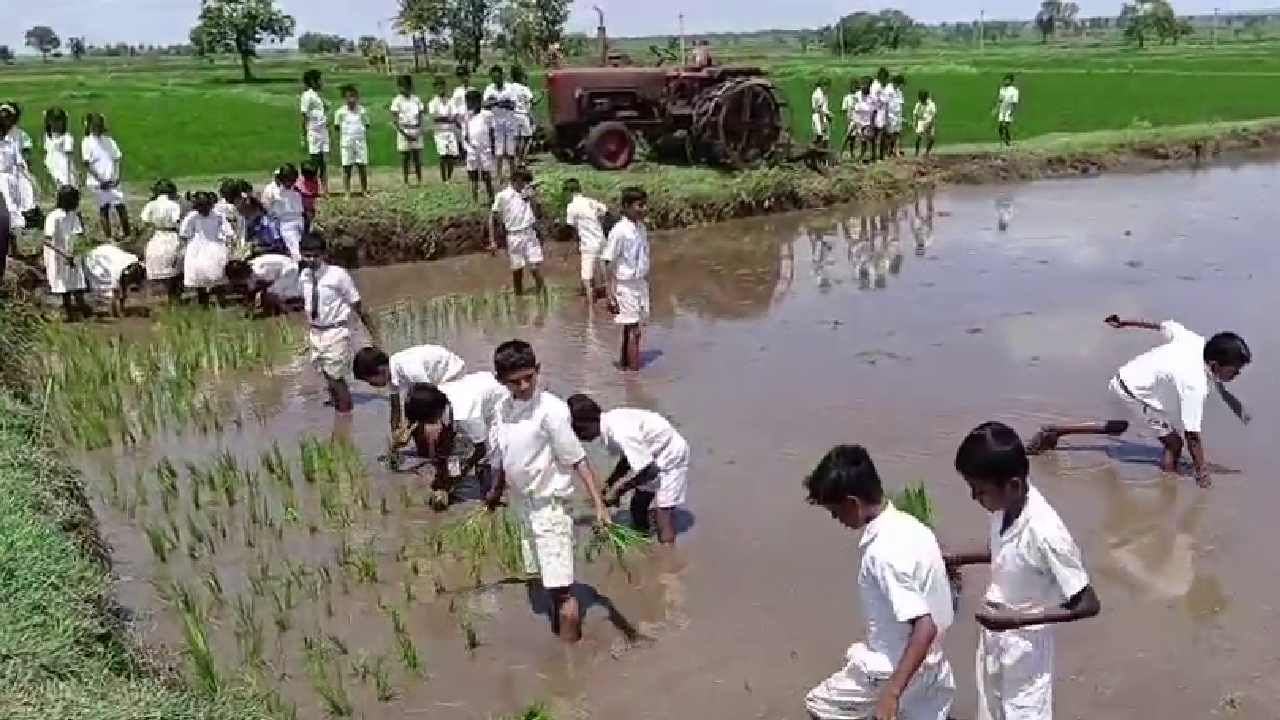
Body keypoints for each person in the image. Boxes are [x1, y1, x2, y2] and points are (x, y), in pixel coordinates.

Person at [944, 422, 1101, 720]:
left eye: (979, 491)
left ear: (1013, 485)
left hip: (1026, 645)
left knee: (1024, 713)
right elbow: (1004, 552)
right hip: (995, 629)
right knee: (990, 709)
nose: (974, 498)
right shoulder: (1004, 506)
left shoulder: (1047, 533)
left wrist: (1016, 620)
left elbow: (1088, 604)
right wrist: (957, 558)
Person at [803, 444, 955, 720]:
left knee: (820, 707)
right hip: (932, 666)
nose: (836, 520)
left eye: (836, 512)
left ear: (852, 504)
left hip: (892, 669)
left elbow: (925, 625)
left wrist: (892, 693)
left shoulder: (883, 553)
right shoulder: (913, 527)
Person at [1026, 316, 1252, 489]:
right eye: (1235, 370)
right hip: (1136, 393)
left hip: (1123, 378)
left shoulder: (1194, 341)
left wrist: (1124, 322)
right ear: (1214, 365)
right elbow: (1192, 435)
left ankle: (1056, 431)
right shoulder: (1194, 384)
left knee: (1120, 426)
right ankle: (1168, 482)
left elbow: (1161, 325)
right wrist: (1202, 473)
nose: (1237, 374)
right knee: (1174, 444)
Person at [483, 339, 610, 643]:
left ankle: (569, 659)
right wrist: (495, 491)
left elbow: (577, 459)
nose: (525, 385)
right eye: (515, 381)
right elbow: (504, 457)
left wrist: (600, 506)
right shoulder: (502, 409)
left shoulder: (552, 411)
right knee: (547, 581)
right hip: (523, 505)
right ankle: (563, 640)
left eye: (530, 377)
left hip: (550, 508)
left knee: (563, 589)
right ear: (501, 381)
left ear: (538, 370)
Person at [567, 395, 690, 544]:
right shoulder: (609, 424)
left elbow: (650, 471)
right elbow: (629, 459)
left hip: (670, 454)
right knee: (637, 506)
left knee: (662, 513)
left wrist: (620, 491)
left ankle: (669, 557)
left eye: (577, 432)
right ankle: (644, 541)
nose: (579, 438)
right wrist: (610, 482)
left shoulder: (620, 433)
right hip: (651, 452)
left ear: (585, 426)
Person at [298, 232, 380, 415]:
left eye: (315, 255)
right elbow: (309, 306)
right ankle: (339, 409)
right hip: (316, 332)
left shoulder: (338, 275)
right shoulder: (304, 275)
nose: (311, 259)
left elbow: (358, 305)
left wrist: (373, 335)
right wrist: (307, 335)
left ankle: (345, 416)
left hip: (336, 332)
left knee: (336, 377)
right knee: (327, 376)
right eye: (306, 255)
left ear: (324, 254)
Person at [402, 372, 506, 509]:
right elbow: (449, 432)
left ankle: (495, 496)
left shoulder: (466, 414)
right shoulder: (439, 395)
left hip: (501, 399)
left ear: (433, 415)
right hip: (482, 383)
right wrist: (444, 469)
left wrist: (457, 476)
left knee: (492, 458)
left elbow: (481, 449)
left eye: (425, 421)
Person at [352, 344, 467, 429]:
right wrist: (396, 435)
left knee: (447, 416)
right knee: (421, 414)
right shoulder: (391, 374)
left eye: (371, 381)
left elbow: (429, 398)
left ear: (381, 370)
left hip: (452, 373)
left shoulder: (408, 369)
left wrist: (409, 428)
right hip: (434, 379)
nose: (372, 385)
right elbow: (395, 407)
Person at [603, 186, 650, 371]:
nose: (644, 209)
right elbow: (608, 261)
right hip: (625, 285)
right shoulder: (620, 231)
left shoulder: (641, 228)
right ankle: (634, 374)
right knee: (634, 331)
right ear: (626, 206)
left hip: (639, 283)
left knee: (629, 326)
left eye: (645, 205)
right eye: (640, 205)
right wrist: (610, 292)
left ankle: (625, 366)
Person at [489, 167, 544, 295]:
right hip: (514, 235)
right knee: (517, 269)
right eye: (524, 182)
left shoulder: (527, 194)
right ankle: (518, 295)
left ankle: (542, 293)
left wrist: (533, 199)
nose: (525, 185)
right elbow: (492, 216)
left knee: (535, 266)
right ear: (516, 181)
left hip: (529, 232)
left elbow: (538, 214)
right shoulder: (503, 196)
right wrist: (493, 240)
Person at [180, 190, 236, 305]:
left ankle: (220, 301)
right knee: (200, 276)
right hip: (199, 248)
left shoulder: (218, 215)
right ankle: (204, 302)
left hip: (212, 246)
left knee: (218, 275)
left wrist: (229, 243)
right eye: (201, 207)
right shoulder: (192, 217)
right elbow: (185, 233)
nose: (204, 209)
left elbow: (228, 231)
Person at [42, 185, 90, 320]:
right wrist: (64, 253)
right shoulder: (54, 217)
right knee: (63, 284)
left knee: (76, 280)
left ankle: (81, 308)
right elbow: (47, 240)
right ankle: (70, 311)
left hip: (71, 253)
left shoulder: (73, 215)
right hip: (57, 254)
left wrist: (77, 250)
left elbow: (78, 234)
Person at [80, 112, 129, 239]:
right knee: (104, 208)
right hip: (98, 182)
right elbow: (87, 164)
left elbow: (117, 158)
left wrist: (117, 176)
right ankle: (108, 237)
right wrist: (100, 179)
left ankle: (128, 234)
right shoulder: (87, 142)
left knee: (120, 207)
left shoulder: (109, 141)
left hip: (112, 180)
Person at [563, 178, 609, 298]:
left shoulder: (571, 206)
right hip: (602, 240)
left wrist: (575, 244)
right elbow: (604, 211)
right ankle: (610, 295)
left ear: (568, 192)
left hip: (588, 244)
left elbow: (571, 227)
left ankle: (590, 306)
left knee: (586, 277)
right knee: (604, 269)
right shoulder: (591, 202)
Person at [0, 103, 37, 249]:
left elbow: (20, 163)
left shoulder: (11, 143)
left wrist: (28, 177)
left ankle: (13, 247)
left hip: (10, 181)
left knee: (12, 212)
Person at [140, 178, 183, 301]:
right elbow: (177, 221)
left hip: (157, 237)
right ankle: (174, 297)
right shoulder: (174, 205)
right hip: (171, 237)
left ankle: (159, 297)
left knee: (157, 269)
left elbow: (145, 223)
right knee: (175, 270)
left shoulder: (150, 205)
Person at [225, 253, 302, 316]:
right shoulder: (250, 270)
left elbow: (266, 286)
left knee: (270, 294)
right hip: (281, 267)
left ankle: (288, 308)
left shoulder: (259, 271)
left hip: (289, 269)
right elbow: (251, 291)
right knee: (267, 295)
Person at [83, 243, 145, 317]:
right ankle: (115, 310)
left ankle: (118, 309)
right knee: (116, 293)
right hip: (102, 262)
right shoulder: (119, 267)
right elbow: (116, 281)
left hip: (116, 267)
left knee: (119, 292)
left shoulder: (131, 262)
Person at [262, 164, 306, 259]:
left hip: (298, 222)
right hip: (282, 223)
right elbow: (266, 209)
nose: (291, 183)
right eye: (289, 180)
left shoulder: (296, 190)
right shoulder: (271, 190)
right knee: (293, 247)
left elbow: (301, 209)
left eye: (293, 180)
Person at [483, 65, 518, 183]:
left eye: (498, 77)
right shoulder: (489, 88)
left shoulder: (509, 88)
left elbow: (512, 105)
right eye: (494, 77)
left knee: (510, 150)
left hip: (509, 121)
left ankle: (513, 174)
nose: (496, 79)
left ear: (502, 76)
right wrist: (501, 102)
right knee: (498, 150)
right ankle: (499, 175)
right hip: (496, 121)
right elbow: (486, 104)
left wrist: (496, 102)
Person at [334, 84, 370, 197]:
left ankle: (364, 190)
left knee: (362, 167)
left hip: (360, 142)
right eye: (349, 97)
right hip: (347, 142)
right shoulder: (340, 112)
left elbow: (367, 124)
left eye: (354, 96)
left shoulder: (362, 111)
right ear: (344, 98)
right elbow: (337, 126)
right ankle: (347, 192)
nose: (352, 99)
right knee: (347, 168)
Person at [390, 74, 426, 186]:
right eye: (401, 86)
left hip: (415, 128)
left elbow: (421, 116)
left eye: (406, 86)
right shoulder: (397, 101)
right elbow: (395, 120)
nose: (403, 89)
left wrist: (419, 130)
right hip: (404, 129)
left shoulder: (416, 99)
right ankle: (406, 179)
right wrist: (404, 134)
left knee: (417, 156)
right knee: (405, 157)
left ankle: (419, 178)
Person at [299, 69, 329, 195]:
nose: (323, 82)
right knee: (315, 162)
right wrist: (303, 134)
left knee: (323, 162)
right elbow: (304, 115)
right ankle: (310, 187)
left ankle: (325, 189)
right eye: (320, 80)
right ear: (313, 81)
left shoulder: (317, 95)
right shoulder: (307, 95)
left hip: (322, 131)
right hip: (314, 131)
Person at [463, 90, 496, 203]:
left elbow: (491, 131)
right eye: (468, 102)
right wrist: (468, 147)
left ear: (478, 102)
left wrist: (492, 146)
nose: (470, 105)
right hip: (472, 149)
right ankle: (475, 200)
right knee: (473, 175)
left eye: (472, 102)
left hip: (485, 148)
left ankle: (491, 197)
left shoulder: (487, 115)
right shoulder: (467, 116)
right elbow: (466, 133)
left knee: (486, 175)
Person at [427, 76, 460, 183]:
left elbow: (454, 116)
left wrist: (444, 118)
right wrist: (446, 118)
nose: (441, 89)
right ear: (435, 88)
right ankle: (444, 178)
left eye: (442, 86)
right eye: (438, 87)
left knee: (452, 156)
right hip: (440, 132)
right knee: (443, 155)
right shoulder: (433, 102)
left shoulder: (451, 101)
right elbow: (434, 117)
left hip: (450, 131)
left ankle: (449, 177)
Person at [42, 106, 77, 188]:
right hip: (51, 169)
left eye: (58, 120)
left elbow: (69, 158)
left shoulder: (67, 137)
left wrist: (70, 176)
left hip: (63, 172)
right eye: (53, 120)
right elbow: (46, 153)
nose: (56, 123)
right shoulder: (47, 137)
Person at [508, 66, 536, 162]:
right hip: (523, 115)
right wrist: (541, 96)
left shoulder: (509, 87)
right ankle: (522, 159)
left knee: (516, 138)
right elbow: (533, 102)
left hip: (513, 115)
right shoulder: (524, 88)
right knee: (527, 137)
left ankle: (516, 159)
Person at [214, 178, 248, 252]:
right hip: (234, 249)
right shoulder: (240, 210)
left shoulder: (215, 209)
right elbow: (242, 235)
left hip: (219, 249)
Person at [854, 77, 877, 163]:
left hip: (869, 120)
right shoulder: (857, 95)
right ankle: (862, 155)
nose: (864, 87)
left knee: (871, 139)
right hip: (859, 121)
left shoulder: (872, 97)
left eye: (866, 86)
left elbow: (874, 111)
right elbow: (855, 107)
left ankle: (873, 156)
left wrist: (872, 124)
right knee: (862, 140)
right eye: (863, 86)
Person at [4, 103, 33, 170]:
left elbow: (26, 153)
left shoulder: (21, 134)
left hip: (19, 170)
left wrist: (28, 165)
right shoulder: (22, 134)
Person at [885, 74, 906, 159]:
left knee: (897, 134)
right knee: (889, 135)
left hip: (897, 115)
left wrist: (901, 116)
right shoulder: (888, 90)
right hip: (890, 115)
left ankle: (896, 152)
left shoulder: (899, 91)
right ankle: (888, 151)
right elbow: (885, 103)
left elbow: (900, 104)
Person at [995, 74, 1019, 147]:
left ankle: (1008, 140)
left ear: (1011, 81)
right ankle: (1003, 139)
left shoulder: (1014, 90)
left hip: (1009, 109)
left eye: (1008, 80)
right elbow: (1000, 100)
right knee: (1000, 127)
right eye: (1005, 80)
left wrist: (1012, 111)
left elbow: (1015, 102)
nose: (1006, 81)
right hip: (1002, 109)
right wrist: (996, 109)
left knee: (1005, 125)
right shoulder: (1002, 89)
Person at [296, 161, 321, 234]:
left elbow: (314, 193)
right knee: (304, 220)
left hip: (309, 207)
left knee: (309, 220)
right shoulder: (299, 183)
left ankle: (308, 231)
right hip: (300, 208)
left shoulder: (315, 182)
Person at [840, 79, 862, 161]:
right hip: (851, 120)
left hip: (858, 120)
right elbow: (844, 110)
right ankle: (840, 152)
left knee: (854, 138)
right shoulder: (847, 97)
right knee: (847, 137)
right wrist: (846, 120)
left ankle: (852, 153)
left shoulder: (859, 97)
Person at [913, 90, 938, 158]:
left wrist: (930, 124)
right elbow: (915, 114)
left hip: (930, 122)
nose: (921, 100)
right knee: (918, 137)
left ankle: (927, 152)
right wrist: (914, 122)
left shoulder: (931, 104)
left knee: (931, 139)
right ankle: (916, 152)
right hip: (921, 121)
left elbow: (934, 115)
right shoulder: (918, 104)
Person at [810, 78, 832, 151]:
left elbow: (824, 107)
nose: (828, 88)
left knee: (824, 136)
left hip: (822, 116)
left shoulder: (823, 93)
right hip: (819, 117)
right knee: (821, 135)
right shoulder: (818, 95)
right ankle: (818, 151)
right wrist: (824, 119)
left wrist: (828, 114)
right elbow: (818, 109)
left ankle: (821, 151)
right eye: (827, 86)